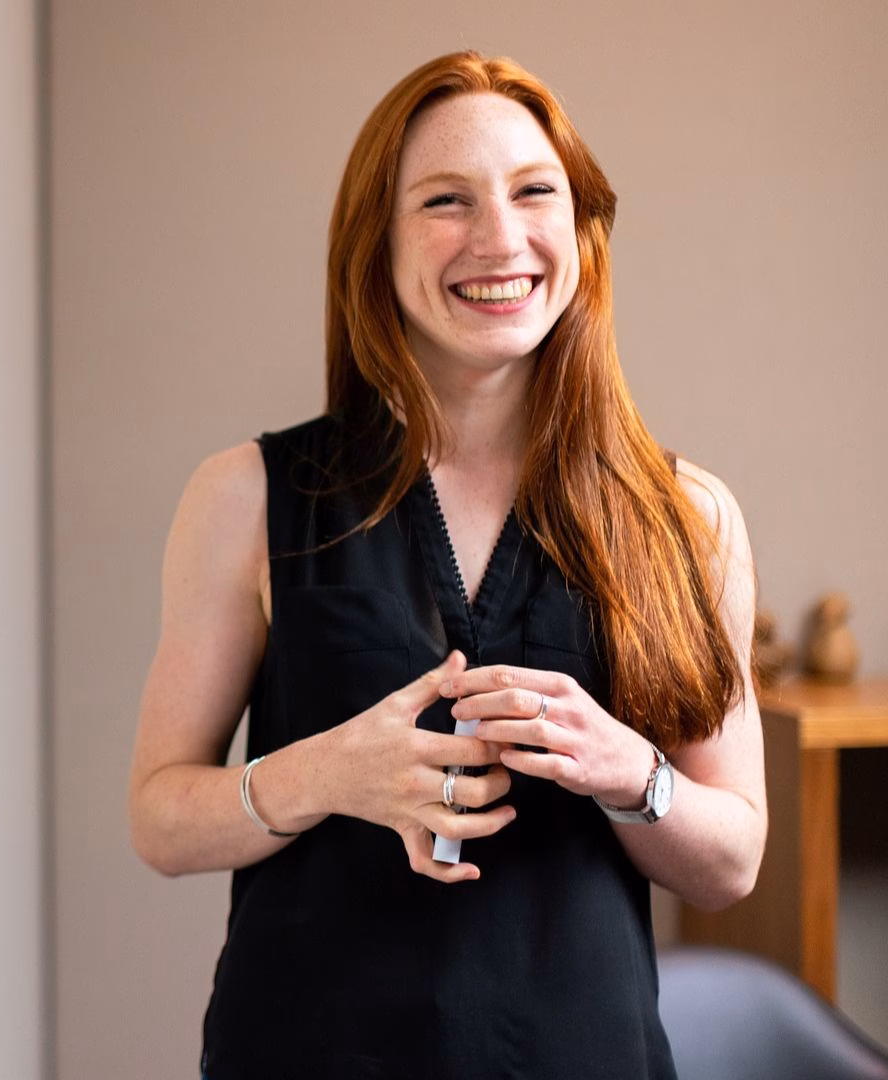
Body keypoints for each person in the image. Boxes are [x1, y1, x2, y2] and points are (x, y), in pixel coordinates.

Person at [128, 51, 764, 1079]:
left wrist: (624, 771)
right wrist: (324, 774)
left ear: (583, 232)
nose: (499, 239)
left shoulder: (689, 518)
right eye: (446, 201)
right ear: (375, 245)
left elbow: (733, 860)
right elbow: (159, 817)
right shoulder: (245, 497)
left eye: (533, 193)